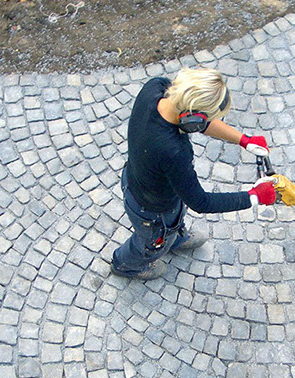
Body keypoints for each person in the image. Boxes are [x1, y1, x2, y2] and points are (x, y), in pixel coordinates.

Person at [111, 68, 277, 279]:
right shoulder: (174, 151)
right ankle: (127, 265)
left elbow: (198, 121)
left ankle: (174, 237)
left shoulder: (157, 88)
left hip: (137, 178)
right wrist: (254, 196)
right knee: (149, 243)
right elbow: (201, 202)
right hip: (153, 210)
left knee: (172, 223)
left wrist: (243, 140)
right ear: (193, 120)